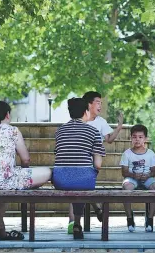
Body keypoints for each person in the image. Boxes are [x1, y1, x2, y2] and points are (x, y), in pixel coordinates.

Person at [0, 101, 51, 240]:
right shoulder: (12, 131)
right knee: (47, 172)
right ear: (7, 115)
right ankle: (21, 192)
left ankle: (0, 225)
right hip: (6, 180)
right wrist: (23, 173)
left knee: (0, 180)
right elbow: (26, 159)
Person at [62, 91, 123, 230]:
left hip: (87, 165)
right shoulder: (81, 125)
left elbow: (108, 139)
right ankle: (79, 220)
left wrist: (119, 127)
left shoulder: (100, 122)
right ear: (88, 105)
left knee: (78, 187)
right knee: (80, 187)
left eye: (101, 103)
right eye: (97, 102)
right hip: (82, 165)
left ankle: (76, 222)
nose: (100, 105)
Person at [53, 97, 106, 240]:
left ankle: (77, 224)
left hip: (59, 178)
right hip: (83, 179)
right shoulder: (93, 132)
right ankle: (81, 220)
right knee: (82, 178)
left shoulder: (59, 131)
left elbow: (59, 155)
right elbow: (98, 164)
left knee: (78, 178)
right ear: (86, 112)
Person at [120, 124, 155, 233]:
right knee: (126, 187)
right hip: (132, 178)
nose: (137, 139)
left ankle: (150, 219)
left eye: (140, 137)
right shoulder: (127, 154)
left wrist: (148, 175)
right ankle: (129, 218)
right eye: (134, 136)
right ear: (131, 138)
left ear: (145, 139)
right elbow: (124, 172)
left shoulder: (150, 154)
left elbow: (154, 171)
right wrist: (133, 175)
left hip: (147, 178)